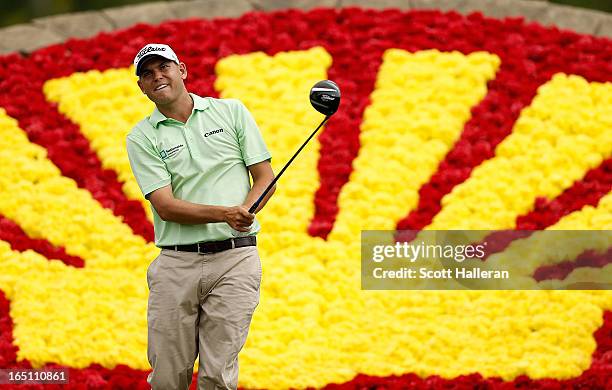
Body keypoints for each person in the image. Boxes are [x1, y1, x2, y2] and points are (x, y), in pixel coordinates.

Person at [126, 43, 275, 390]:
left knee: (218, 376)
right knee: (167, 376)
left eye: (163, 67)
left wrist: (247, 211)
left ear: (183, 69)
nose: (156, 76)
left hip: (236, 259)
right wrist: (226, 213)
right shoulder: (142, 136)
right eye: (147, 74)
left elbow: (265, 178)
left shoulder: (232, 112)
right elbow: (165, 205)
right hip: (176, 264)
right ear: (142, 87)